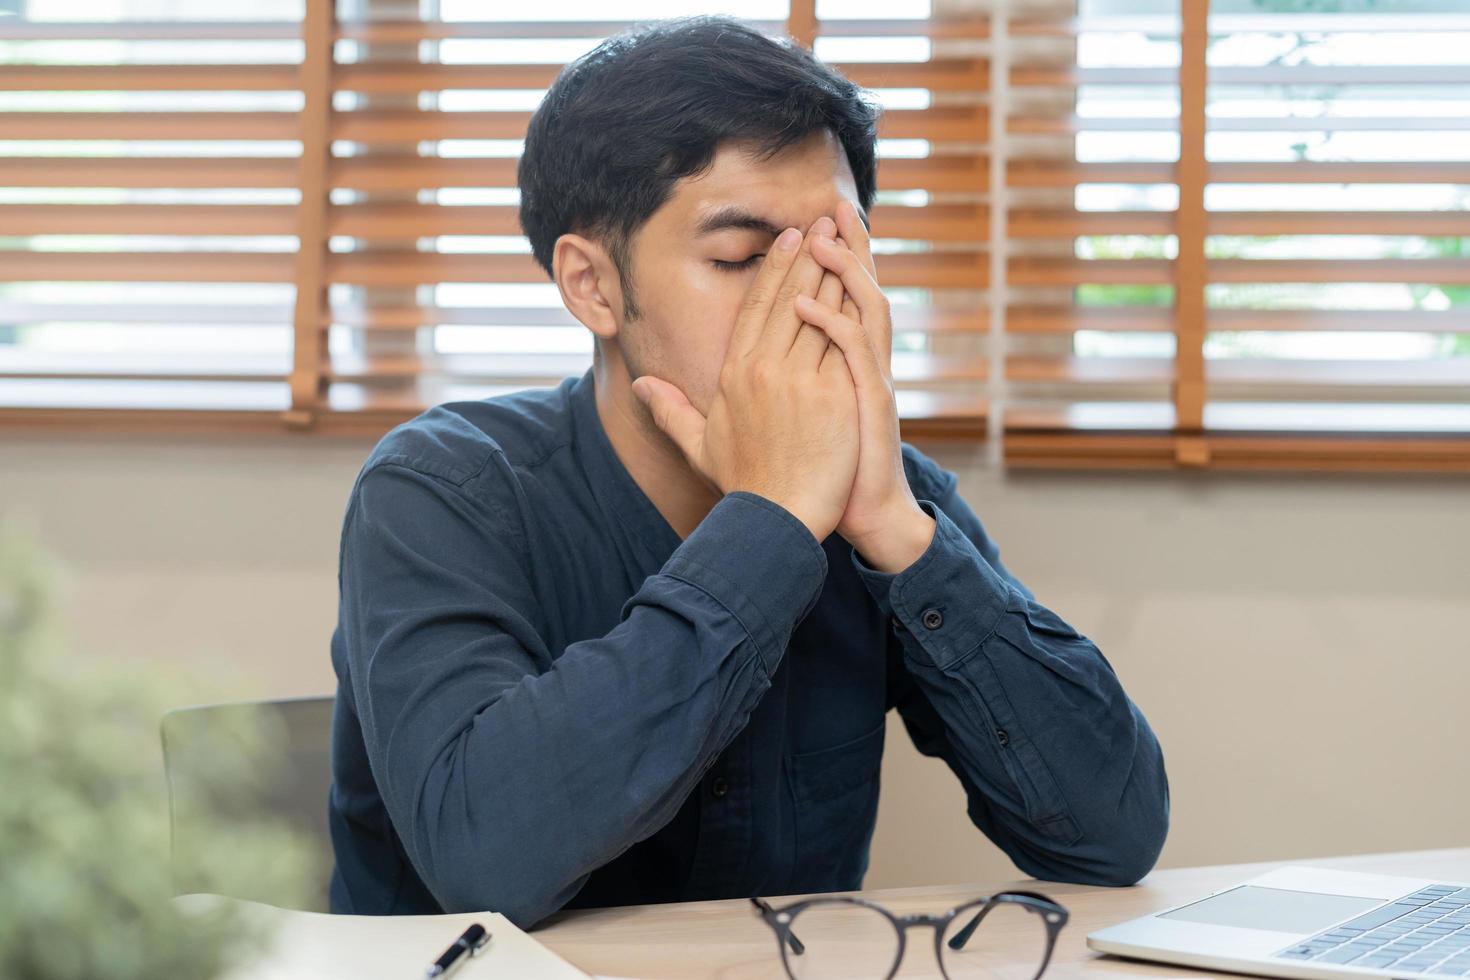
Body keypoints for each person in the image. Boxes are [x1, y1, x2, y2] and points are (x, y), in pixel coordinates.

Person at [327, 15, 1169, 927]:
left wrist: (894, 530)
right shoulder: (442, 489)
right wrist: (768, 519)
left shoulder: (891, 496)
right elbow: (486, 855)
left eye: (834, 253)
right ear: (592, 286)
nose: (804, 299)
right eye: (740, 258)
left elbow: (1111, 839)